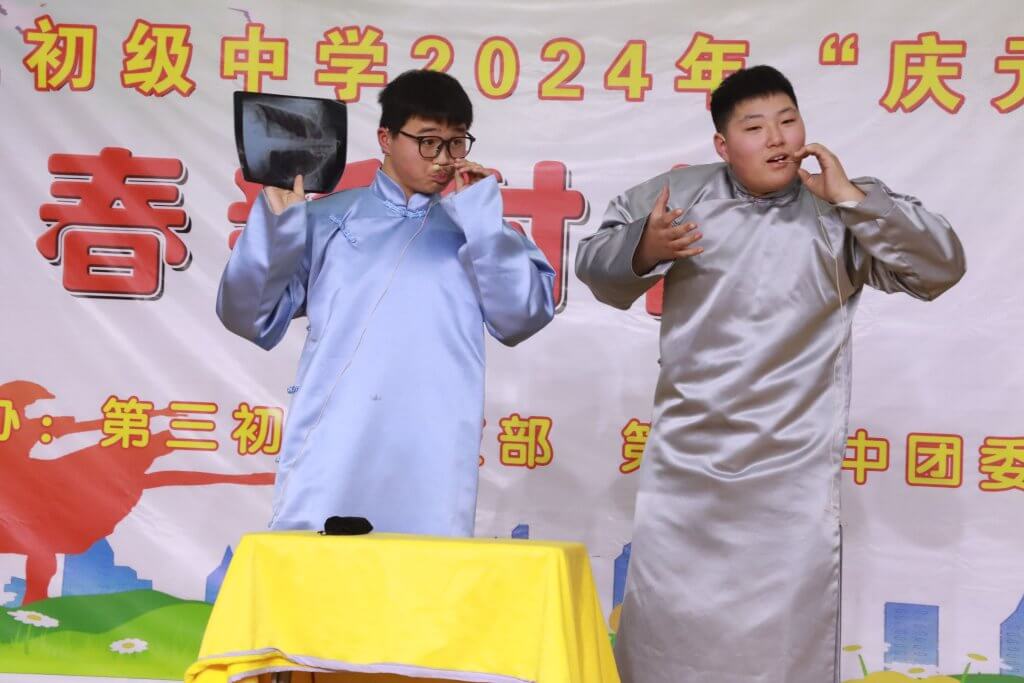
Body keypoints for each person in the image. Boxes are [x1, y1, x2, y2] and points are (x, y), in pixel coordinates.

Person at [575, 65, 966, 683]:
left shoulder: (837, 205)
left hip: (793, 472)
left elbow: (940, 268)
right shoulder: (681, 197)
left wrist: (854, 200)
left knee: (781, 642)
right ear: (722, 145)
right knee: (669, 634)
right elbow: (594, 265)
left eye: (788, 120)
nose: (778, 138)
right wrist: (645, 247)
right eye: (755, 127)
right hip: (688, 469)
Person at [217, 69, 555, 536]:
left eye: (457, 142)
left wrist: (483, 225)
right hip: (333, 444)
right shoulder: (325, 219)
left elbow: (520, 318)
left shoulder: (478, 230)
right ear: (386, 138)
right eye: (429, 142)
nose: (445, 159)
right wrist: (277, 227)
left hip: (433, 453)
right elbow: (248, 316)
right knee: (317, 572)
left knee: (424, 574)